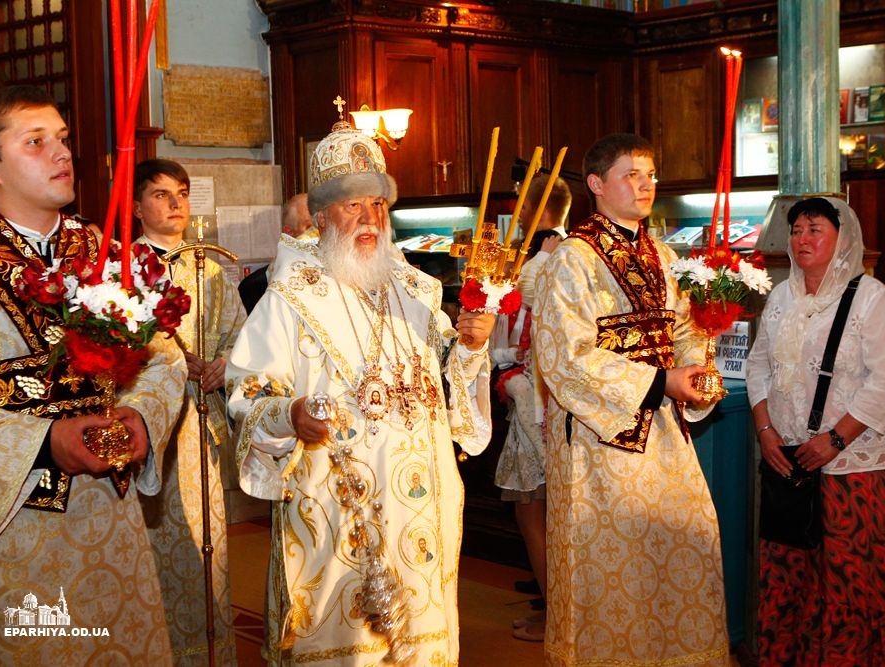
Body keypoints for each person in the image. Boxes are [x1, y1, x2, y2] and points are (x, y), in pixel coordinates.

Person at [226, 118, 496, 665]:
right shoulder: (290, 298)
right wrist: (289, 414)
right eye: (353, 205)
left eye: (378, 203)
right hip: (338, 506)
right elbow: (248, 390)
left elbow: (449, 381)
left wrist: (471, 346)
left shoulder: (419, 291)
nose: (370, 218)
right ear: (322, 217)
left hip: (421, 506)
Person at [0, 85, 186, 661]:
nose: (62, 153)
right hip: (8, 529)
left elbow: (166, 359)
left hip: (112, 521)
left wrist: (140, 416)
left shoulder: (105, 252)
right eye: (35, 142)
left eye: (63, 139)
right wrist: (43, 443)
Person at [532, 133, 728, 665]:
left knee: (686, 545)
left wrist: (697, 372)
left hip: (664, 431)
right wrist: (662, 381)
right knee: (611, 568)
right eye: (631, 175)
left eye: (650, 175)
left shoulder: (662, 254)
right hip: (600, 439)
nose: (645, 185)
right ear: (597, 184)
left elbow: (683, 330)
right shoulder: (573, 259)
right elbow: (564, 356)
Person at [747, 196, 885, 664]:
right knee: (790, 580)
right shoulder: (780, 297)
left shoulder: (872, 298)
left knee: (850, 584)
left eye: (815, 229)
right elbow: (758, 366)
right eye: (796, 230)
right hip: (789, 464)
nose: (802, 239)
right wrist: (765, 430)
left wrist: (835, 439)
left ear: (843, 238)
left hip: (852, 471)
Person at [132, 158, 245, 665]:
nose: (176, 203)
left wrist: (225, 365)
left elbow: (241, 335)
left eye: (182, 193)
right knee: (155, 544)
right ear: (137, 206)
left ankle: (208, 653)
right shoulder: (122, 271)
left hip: (202, 423)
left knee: (206, 542)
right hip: (150, 427)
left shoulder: (212, 269)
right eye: (161, 194)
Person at [489, 174, 571, 643]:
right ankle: (554, 607)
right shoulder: (556, 251)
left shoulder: (549, 254)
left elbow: (527, 326)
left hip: (538, 398)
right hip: (534, 390)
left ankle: (560, 616)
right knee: (538, 509)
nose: (518, 213)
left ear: (533, 207)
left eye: (522, 204)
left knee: (537, 510)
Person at [238, 192, 313, 314]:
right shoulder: (255, 287)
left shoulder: (337, 277)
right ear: (289, 233)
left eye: (322, 224)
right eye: (310, 227)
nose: (318, 233)